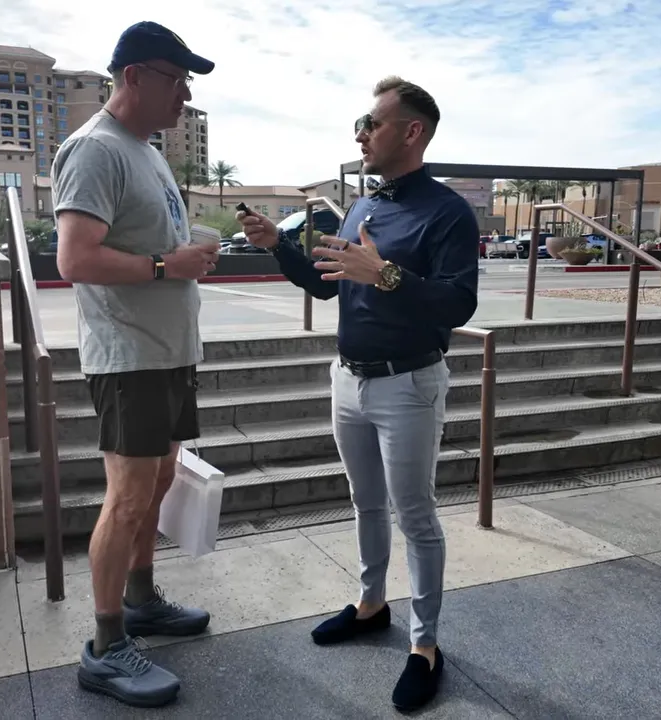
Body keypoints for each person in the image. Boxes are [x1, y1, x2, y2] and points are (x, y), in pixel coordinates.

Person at [239, 76, 480, 711]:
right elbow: (329, 287)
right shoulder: (363, 206)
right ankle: (372, 604)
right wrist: (278, 248)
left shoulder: (447, 211)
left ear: (412, 131)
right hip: (348, 378)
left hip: (409, 383)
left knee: (416, 515)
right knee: (364, 504)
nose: (361, 134)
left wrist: (389, 274)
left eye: (371, 123)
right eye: (361, 124)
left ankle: (425, 646)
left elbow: (458, 302)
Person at [50, 21, 220, 709]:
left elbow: (151, 245)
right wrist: (163, 265)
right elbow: (75, 258)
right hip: (128, 357)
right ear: (133, 77)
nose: (184, 96)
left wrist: (182, 255)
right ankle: (105, 644)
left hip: (167, 351)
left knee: (160, 480)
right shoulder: (94, 150)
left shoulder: (145, 152)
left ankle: (142, 600)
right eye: (175, 80)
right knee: (127, 498)